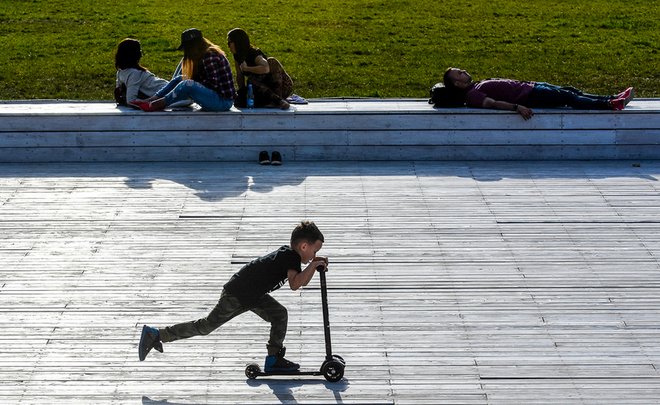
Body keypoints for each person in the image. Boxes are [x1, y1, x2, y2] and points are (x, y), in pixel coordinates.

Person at [138, 221, 328, 373]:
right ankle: (155, 334)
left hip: (252, 294)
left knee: (279, 314)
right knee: (205, 326)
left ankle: (273, 359)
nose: (314, 255)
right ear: (304, 246)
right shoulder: (291, 257)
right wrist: (313, 265)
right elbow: (296, 284)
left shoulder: (291, 256)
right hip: (238, 293)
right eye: (314, 251)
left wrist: (314, 264)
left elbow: (299, 281)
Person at [443, 67, 634, 120]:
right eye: (459, 73)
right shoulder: (472, 95)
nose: (463, 71)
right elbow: (492, 103)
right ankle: (611, 105)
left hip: (532, 87)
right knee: (570, 98)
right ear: (457, 83)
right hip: (530, 96)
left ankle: (612, 98)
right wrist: (517, 107)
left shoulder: (475, 86)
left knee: (570, 91)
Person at [131, 28, 235, 112]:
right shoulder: (203, 55)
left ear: (193, 46)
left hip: (222, 102)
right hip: (215, 98)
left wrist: (192, 84)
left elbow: (213, 85)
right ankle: (151, 99)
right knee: (180, 78)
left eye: (186, 48)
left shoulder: (210, 56)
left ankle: (155, 104)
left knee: (187, 84)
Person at [227, 28, 293, 110]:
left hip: (282, 86)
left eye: (230, 42)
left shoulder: (253, 53)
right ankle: (275, 100)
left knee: (272, 61)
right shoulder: (237, 56)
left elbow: (266, 68)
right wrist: (242, 93)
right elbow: (240, 76)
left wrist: (247, 68)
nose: (228, 45)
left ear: (237, 42)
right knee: (250, 83)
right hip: (265, 88)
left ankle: (278, 100)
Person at [114, 38, 169, 107]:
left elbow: (130, 101)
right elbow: (130, 101)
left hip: (167, 90)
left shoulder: (130, 73)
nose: (141, 55)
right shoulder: (125, 73)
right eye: (139, 51)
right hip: (165, 92)